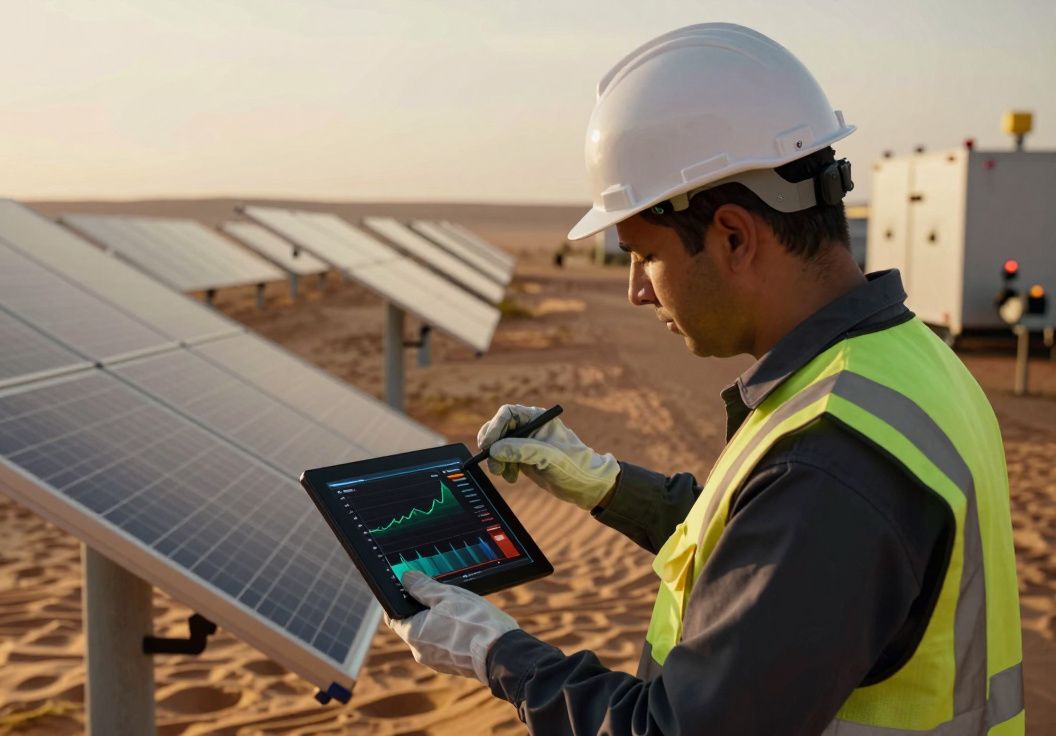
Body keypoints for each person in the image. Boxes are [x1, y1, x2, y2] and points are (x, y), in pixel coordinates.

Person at [385, 23, 1025, 735]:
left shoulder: (831, 460)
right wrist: (602, 483)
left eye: (644, 255)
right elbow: (764, 556)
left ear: (733, 237)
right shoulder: (903, 360)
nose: (636, 290)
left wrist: (496, 653)